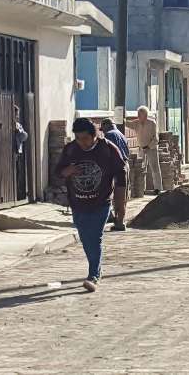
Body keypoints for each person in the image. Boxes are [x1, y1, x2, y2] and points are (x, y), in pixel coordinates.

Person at [55, 118, 127, 292]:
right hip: (77, 202)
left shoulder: (108, 150)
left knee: (95, 237)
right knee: (85, 237)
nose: (82, 143)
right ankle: (96, 268)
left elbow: (121, 176)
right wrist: (68, 171)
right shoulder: (71, 149)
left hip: (101, 202)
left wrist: (120, 205)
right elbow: (58, 172)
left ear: (95, 135)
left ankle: (93, 274)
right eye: (78, 138)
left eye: (85, 138)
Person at [100, 118, 130, 231]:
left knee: (117, 194)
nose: (103, 132)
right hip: (125, 165)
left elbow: (106, 154)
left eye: (103, 129)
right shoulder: (121, 135)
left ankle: (118, 222)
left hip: (116, 167)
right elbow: (127, 151)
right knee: (123, 194)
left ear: (106, 126)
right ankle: (119, 220)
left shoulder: (109, 136)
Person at [126, 106, 163, 194]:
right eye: (138, 114)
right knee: (142, 168)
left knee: (155, 168)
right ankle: (142, 189)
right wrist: (123, 114)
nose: (138, 116)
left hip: (151, 148)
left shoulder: (152, 123)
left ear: (145, 115)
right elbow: (127, 124)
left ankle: (158, 188)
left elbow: (156, 138)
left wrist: (149, 146)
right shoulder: (136, 123)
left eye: (140, 114)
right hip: (141, 148)